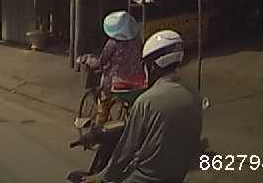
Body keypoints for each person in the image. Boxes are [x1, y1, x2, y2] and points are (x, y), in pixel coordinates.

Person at [85, 30, 203, 183]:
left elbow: (125, 151)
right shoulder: (194, 95)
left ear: (152, 66)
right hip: (178, 175)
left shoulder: (146, 101)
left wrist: (103, 178)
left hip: (144, 178)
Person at [76, 11, 147, 125]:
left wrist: (89, 61)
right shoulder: (137, 40)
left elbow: (102, 61)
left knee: (104, 99)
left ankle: (100, 122)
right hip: (137, 81)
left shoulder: (112, 43)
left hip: (116, 81)